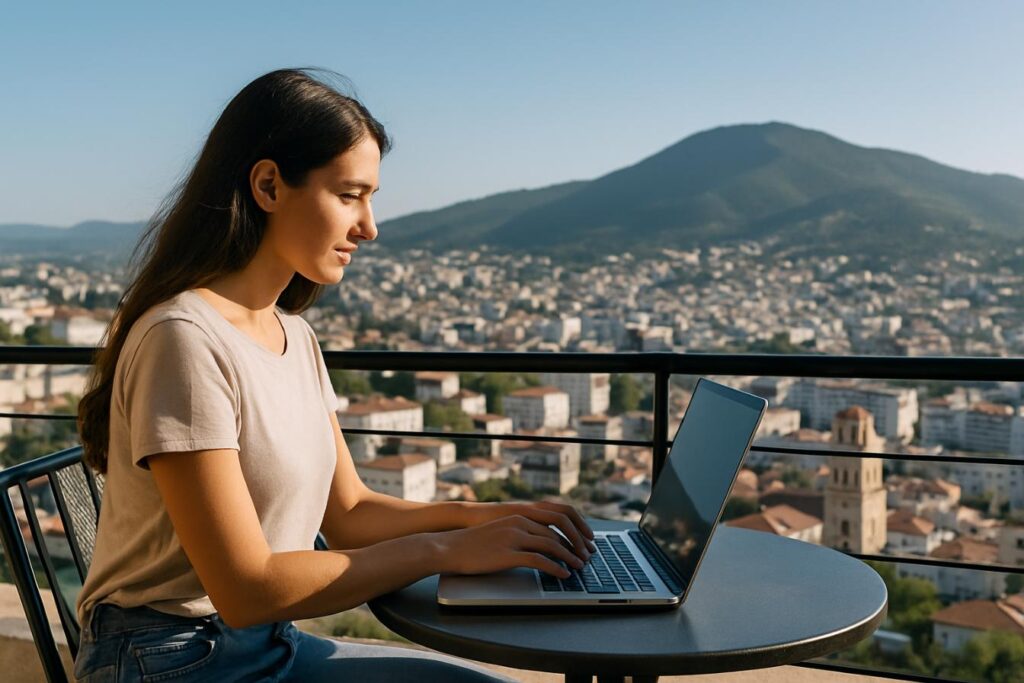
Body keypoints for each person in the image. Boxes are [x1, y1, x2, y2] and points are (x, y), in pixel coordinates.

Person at [73, 68, 595, 682]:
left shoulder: (292, 334)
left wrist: (493, 519)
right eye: (350, 195)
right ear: (268, 185)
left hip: (266, 646)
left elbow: (350, 513)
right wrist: (445, 549)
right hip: (175, 659)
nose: (369, 227)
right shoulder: (183, 341)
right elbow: (245, 588)